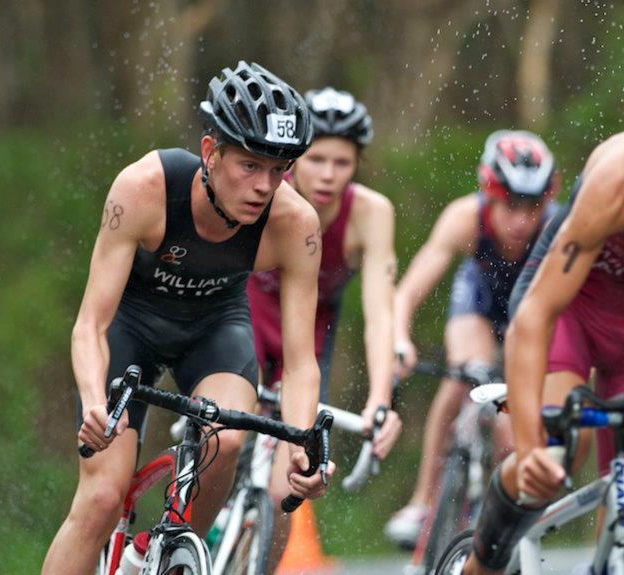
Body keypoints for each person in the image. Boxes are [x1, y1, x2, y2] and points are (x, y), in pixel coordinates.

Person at [41, 61, 336, 575]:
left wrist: (299, 443)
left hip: (215, 328)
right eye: (250, 165)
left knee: (227, 438)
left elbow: (301, 361)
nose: (265, 186)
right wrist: (93, 402)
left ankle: (175, 556)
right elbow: (90, 323)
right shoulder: (143, 189)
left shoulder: (296, 225)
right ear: (210, 151)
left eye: (278, 169)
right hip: (130, 328)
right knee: (102, 497)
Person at [455, 126, 624, 575]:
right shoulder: (623, 177)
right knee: (556, 453)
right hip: (569, 309)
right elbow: (533, 317)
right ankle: (483, 564)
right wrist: (529, 442)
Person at [247, 87, 402, 566]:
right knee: (225, 438)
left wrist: (380, 397)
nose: (329, 175)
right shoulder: (267, 195)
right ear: (296, 157)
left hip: (308, 336)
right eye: (316, 160)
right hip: (246, 317)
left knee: (281, 496)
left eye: (343, 163)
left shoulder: (371, 214)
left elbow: (380, 313)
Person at [385, 130, 561, 549]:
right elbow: (407, 293)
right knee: (466, 375)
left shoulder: (557, 227)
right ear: (489, 195)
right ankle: (423, 500)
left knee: (509, 423)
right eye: (511, 206)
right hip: (479, 301)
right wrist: (399, 340)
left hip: (531, 311)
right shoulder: (464, 218)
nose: (522, 221)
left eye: (533, 207)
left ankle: (502, 504)